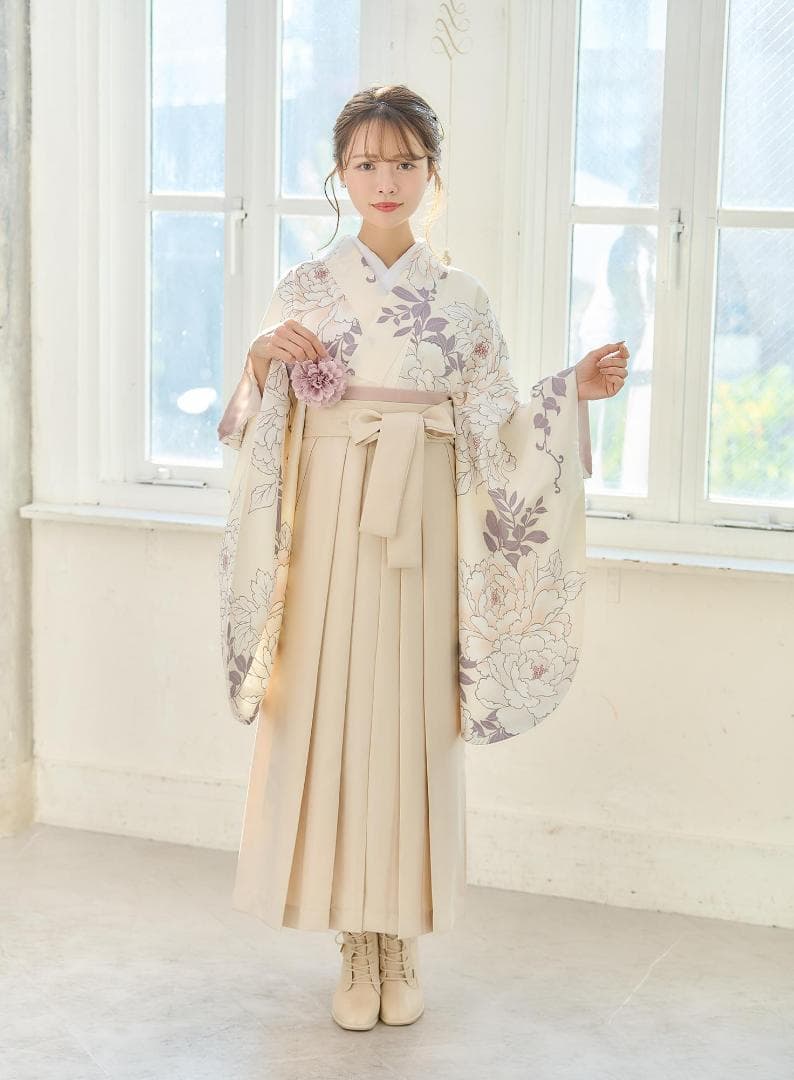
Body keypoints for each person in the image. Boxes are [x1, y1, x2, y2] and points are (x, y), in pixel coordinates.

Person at [216, 84, 629, 1032]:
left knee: (408, 724)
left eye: (404, 163)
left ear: (431, 174)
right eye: (367, 163)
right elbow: (254, 425)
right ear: (339, 174)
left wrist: (571, 392)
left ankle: (399, 936)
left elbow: (500, 427)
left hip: (425, 528)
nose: (386, 180)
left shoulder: (464, 299)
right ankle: (352, 944)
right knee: (329, 716)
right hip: (328, 524)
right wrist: (264, 359)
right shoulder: (306, 287)